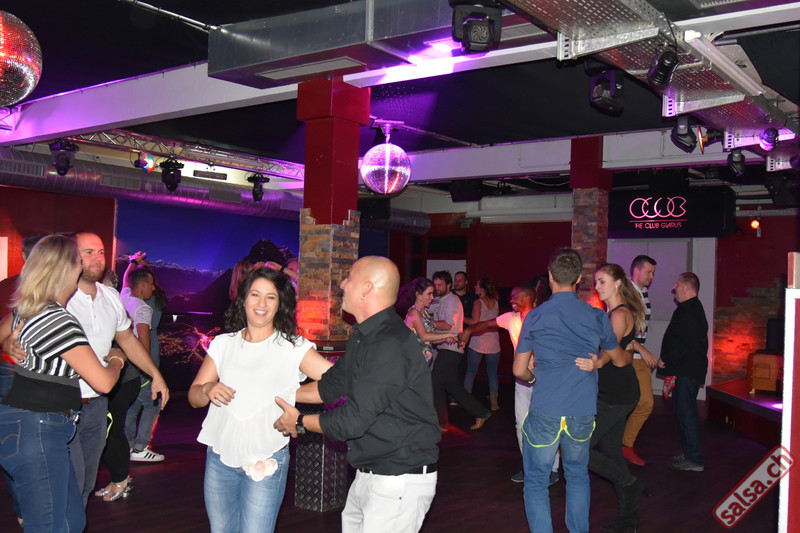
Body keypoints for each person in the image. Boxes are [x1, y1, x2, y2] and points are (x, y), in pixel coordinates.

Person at [273, 256, 441, 533]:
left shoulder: (390, 343)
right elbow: (330, 386)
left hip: (398, 477)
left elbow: (352, 421)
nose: (342, 284)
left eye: (348, 277)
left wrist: (300, 422)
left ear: (366, 288)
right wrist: (276, 395)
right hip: (372, 472)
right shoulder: (366, 335)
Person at [6, 231, 171, 507]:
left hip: (97, 406)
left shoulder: (110, 296)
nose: (97, 258)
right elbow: (8, 327)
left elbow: (128, 340)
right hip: (60, 408)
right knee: (63, 485)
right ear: (72, 259)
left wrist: (156, 375)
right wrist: (8, 342)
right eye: (88, 252)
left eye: (101, 252)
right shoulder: (56, 299)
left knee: (84, 485)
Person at [0, 235, 128, 531]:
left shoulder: (29, 308)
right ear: (68, 269)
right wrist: (117, 359)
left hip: (32, 426)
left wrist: (8, 342)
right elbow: (104, 383)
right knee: (50, 525)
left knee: (72, 520)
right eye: (78, 261)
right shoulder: (58, 320)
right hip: (38, 429)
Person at [189, 268, 332, 532]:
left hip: (267, 457)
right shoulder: (223, 344)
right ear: (243, 299)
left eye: (271, 297)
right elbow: (194, 398)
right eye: (255, 294)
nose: (262, 303)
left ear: (280, 304)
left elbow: (336, 382)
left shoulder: (293, 347)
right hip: (219, 457)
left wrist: (293, 394)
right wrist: (208, 387)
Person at [513, 248, 626, 533]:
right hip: (581, 411)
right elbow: (619, 358)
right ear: (578, 279)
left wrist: (533, 378)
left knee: (536, 481)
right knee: (577, 476)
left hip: (546, 410)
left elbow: (519, 370)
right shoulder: (597, 316)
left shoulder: (535, 316)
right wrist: (601, 359)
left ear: (550, 276)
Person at [459, 283, 559, 485]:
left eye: (516, 297)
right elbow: (486, 324)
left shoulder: (543, 319)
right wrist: (468, 330)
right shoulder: (510, 319)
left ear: (529, 299)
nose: (511, 300)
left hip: (544, 381)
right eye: (511, 296)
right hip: (522, 381)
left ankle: (552, 469)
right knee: (522, 424)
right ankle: (530, 466)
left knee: (546, 425)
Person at [577, 264, 647, 532]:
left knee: (580, 449)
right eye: (596, 281)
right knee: (611, 452)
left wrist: (597, 362)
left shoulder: (619, 314)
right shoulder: (615, 312)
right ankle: (629, 518)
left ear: (617, 283)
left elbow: (610, 349)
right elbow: (622, 346)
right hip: (615, 392)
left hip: (617, 394)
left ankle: (631, 483)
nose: (597, 286)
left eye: (602, 281)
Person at [0, 232, 42, 525]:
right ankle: (28, 511)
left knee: (13, 444)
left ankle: (26, 512)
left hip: (11, 370)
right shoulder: (53, 289)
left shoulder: (6, 286)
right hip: (28, 372)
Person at [430, 270, 491, 431]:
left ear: (448, 285)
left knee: (435, 381)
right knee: (452, 386)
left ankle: (441, 422)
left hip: (451, 348)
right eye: (435, 284)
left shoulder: (452, 300)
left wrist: (427, 322)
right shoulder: (437, 300)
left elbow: (448, 324)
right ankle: (481, 412)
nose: (437, 288)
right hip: (445, 347)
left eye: (440, 285)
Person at [659, 272, 708, 473]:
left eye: (677, 284)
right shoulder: (691, 309)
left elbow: (686, 345)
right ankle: (690, 454)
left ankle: (694, 459)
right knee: (684, 413)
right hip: (686, 370)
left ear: (688, 287)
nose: (674, 287)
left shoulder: (690, 311)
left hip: (687, 371)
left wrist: (666, 359)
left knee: (686, 414)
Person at [121, 254, 167, 462]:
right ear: (144, 285)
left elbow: (127, 281)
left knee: (133, 403)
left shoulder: (124, 297)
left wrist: (132, 263)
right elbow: (144, 341)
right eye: (151, 284)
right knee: (153, 403)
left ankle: (128, 444)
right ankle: (141, 447)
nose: (154, 288)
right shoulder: (144, 308)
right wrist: (150, 371)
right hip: (141, 363)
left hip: (126, 362)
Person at [622, 255, 659, 466]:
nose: (652, 277)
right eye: (649, 272)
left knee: (639, 402)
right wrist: (643, 351)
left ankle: (624, 444)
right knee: (642, 402)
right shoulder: (627, 294)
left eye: (653, 273)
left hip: (636, 355)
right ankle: (624, 445)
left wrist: (646, 352)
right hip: (629, 356)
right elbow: (622, 331)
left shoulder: (641, 292)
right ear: (636, 271)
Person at [463, 277, 501, 411]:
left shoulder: (478, 302)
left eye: (477, 285)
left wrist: (461, 317)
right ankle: (494, 403)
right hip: (493, 342)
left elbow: (475, 322)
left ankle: (466, 401)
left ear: (482, 288)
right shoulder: (495, 302)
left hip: (479, 341)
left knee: (471, 372)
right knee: (492, 374)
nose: (475, 287)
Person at [401, 277, 458, 364]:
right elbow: (424, 336)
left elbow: (432, 338)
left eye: (433, 294)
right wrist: (449, 334)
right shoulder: (414, 312)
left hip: (422, 362)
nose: (432, 297)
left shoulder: (425, 313)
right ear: (418, 295)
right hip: (413, 361)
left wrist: (446, 338)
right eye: (429, 294)